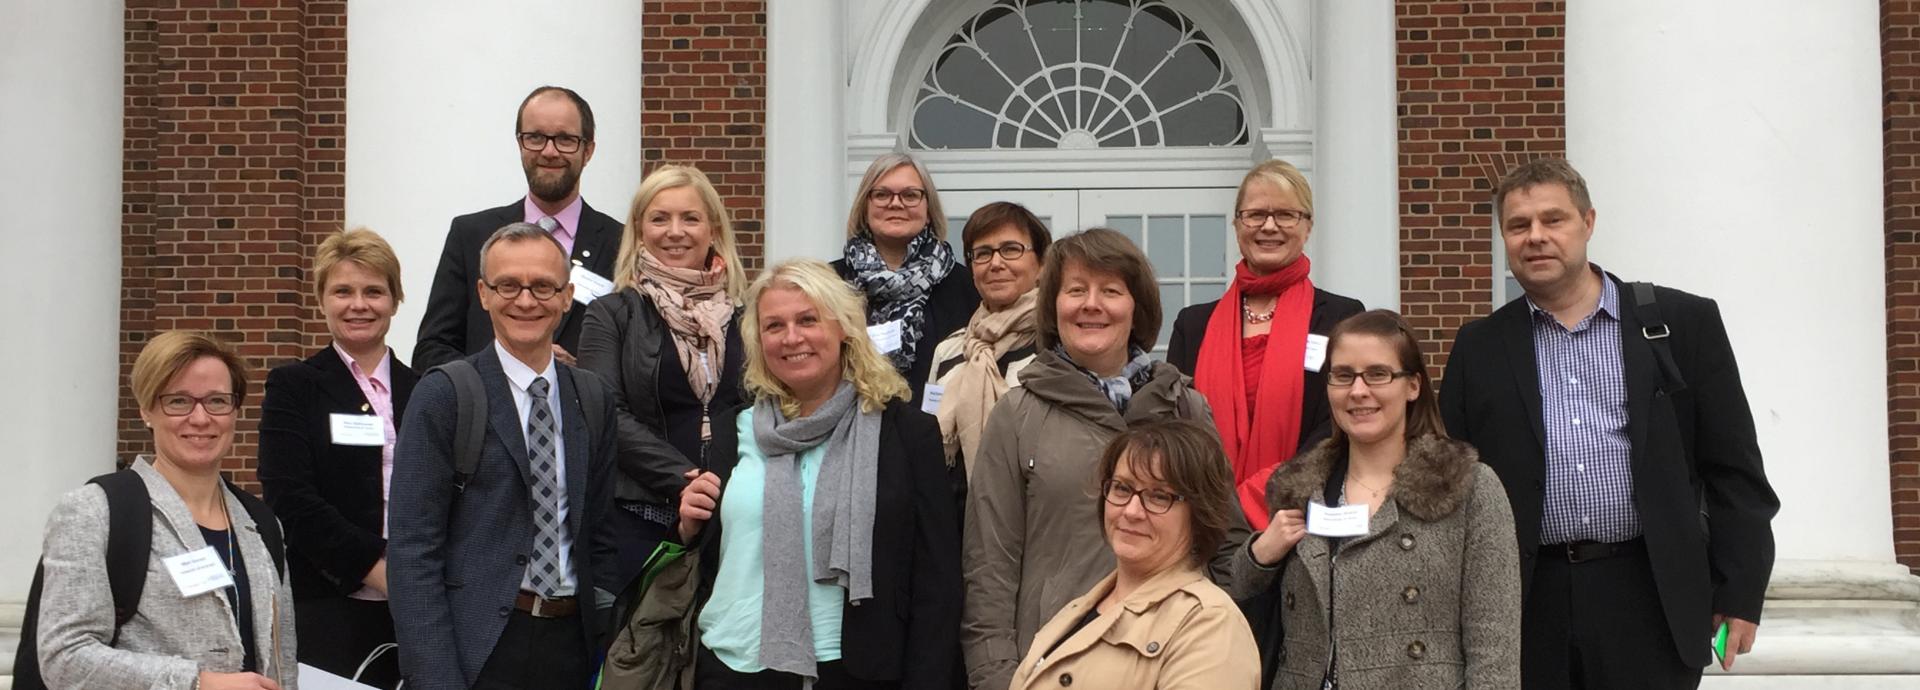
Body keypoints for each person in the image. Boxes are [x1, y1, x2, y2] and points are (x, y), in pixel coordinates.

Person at [1439, 158, 1779, 688]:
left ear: (1588, 222)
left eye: (1554, 220)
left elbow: (1734, 471)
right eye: (1518, 225)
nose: (1536, 237)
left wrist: (1739, 592)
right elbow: (1451, 484)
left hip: (1650, 593)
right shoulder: (1478, 347)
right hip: (1527, 600)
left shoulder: (1682, 324)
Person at [962, 227, 1239, 690]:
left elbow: (1225, 542)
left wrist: (1216, 646)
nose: (1092, 304)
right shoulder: (1017, 414)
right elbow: (989, 565)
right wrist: (995, 678)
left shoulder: (1185, 407)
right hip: (1053, 663)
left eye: (1110, 290)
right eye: (1076, 290)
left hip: (1172, 660)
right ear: (1054, 307)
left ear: (1137, 308)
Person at [672, 258, 961, 688]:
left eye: (808, 320)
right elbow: (717, 555)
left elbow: (937, 583)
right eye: (774, 326)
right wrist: (686, 528)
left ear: (843, 328)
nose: (792, 338)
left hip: (854, 668)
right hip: (734, 664)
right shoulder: (735, 433)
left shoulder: (905, 434)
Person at [1230, 309, 1520, 689]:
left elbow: (1494, 648)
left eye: (1378, 374)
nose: (1358, 391)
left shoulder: (1469, 487)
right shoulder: (1296, 488)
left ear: (1413, 385)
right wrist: (1260, 555)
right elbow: (1238, 599)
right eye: (1343, 375)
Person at [389, 223, 619, 690]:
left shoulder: (592, 398)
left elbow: (598, 528)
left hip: (570, 647)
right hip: (477, 649)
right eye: (508, 285)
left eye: (543, 286)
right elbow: (413, 550)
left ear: (567, 295)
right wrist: (436, 677)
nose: (526, 301)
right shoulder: (445, 394)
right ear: (483, 293)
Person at [37, 331, 298, 690]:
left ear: (235, 409)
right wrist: (197, 683)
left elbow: (282, 664)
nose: (201, 418)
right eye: (178, 402)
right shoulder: (94, 512)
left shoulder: (262, 524)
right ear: (146, 409)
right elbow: (64, 658)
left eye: (217, 401)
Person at [1166, 159, 1364, 529]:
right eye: (1255, 214)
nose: (1269, 226)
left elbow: (1337, 422)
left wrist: (1261, 498)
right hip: (1204, 521)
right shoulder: (1193, 325)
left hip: (1301, 517)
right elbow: (1177, 425)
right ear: (1237, 224)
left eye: (1286, 214)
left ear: (1308, 226)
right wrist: (1216, 507)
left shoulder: (1341, 317)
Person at [579, 164, 749, 591]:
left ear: (713, 228)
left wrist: (725, 492)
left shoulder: (748, 316)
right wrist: (688, 481)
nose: (675, 231)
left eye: (690, 218)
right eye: (660, 218)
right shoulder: (612, 313)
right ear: (639, 230)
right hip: (642, 520)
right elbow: (606, 414)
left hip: (735, 520)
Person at [259, 229, 416, 687]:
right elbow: (290, 498)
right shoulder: (294, 387)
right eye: (342, 291)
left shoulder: (428, 389)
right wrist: (379, 570)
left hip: (419, 606)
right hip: (327, 604)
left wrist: (417, 581)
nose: (359, 304)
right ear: (322, 299)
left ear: (395, 299)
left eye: (374, 291)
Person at [1011, 420, 1260, 690]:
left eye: (1158, 496)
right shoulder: (1080, 607)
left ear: (1199, 514)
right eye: (1122, 488)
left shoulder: (1211, 627)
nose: (1131, 511)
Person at [415, 85, 624, 371]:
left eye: (565, 139)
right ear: (520, 144)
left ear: (588, 151)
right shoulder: (470, 235)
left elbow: (636, 366)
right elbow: (432, 350)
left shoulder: (622, 245)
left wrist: (574, 375)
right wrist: (498, 377)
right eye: (536, 137)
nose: (549, 151)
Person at [831, 153, 980, 395]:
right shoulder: (830, 283)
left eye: (910, 195)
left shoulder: (966, 285)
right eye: (882, 194)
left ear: (929, 209)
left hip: (937, 426)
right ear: (864, 206)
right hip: (849, 426)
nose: (896, 204)